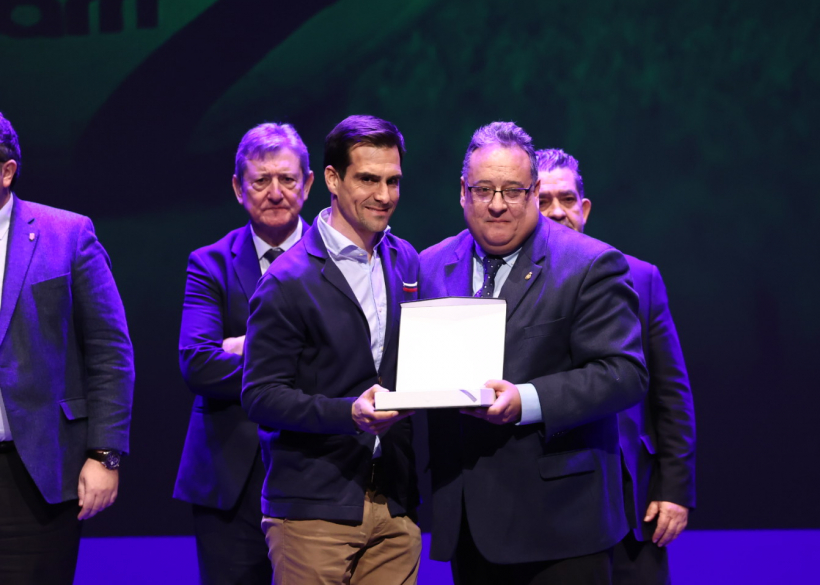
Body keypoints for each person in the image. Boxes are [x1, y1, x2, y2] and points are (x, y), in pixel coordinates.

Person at [420, 121, 648, 585]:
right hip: (468, 523)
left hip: (562, 529)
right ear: (462, 192)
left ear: (534, 191)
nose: (498, 203)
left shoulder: (591, 263)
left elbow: (624, 373)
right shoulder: (429, 265)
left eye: (513, 190)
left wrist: (528, 400)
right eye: (484, 189)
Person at [241, 115, 420, 584]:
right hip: (313, 509)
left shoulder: (407, 260)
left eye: (393, 181)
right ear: (332, 179)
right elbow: (259, 396)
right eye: (368, 179)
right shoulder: (287, 278)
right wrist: (349, 414)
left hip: (397, 504)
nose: (384, 195)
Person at [536, 148, 696, 584]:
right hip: (551, 498)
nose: (557, 212)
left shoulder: (639, 276)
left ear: (584, 208)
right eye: (543, 200)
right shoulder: (511, 287)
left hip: (633, 501)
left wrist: (675, 490)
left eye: (566, 199)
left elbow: (671, 394)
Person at [174, 123, 314, 585]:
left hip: (318, 470)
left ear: (309, 184)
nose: (275, 192)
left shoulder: (339, 259)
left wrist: (246, 346)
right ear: (238, 188)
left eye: (287, 179)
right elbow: (198, 364)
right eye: (260, 181)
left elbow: (353, 359)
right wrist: (297, 352)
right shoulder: (209, 262)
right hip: (230, 481)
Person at [0, 112, 134, 585]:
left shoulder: (67, 235)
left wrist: (106, 455)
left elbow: (109, 350)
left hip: (35, 470)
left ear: (6, 171)